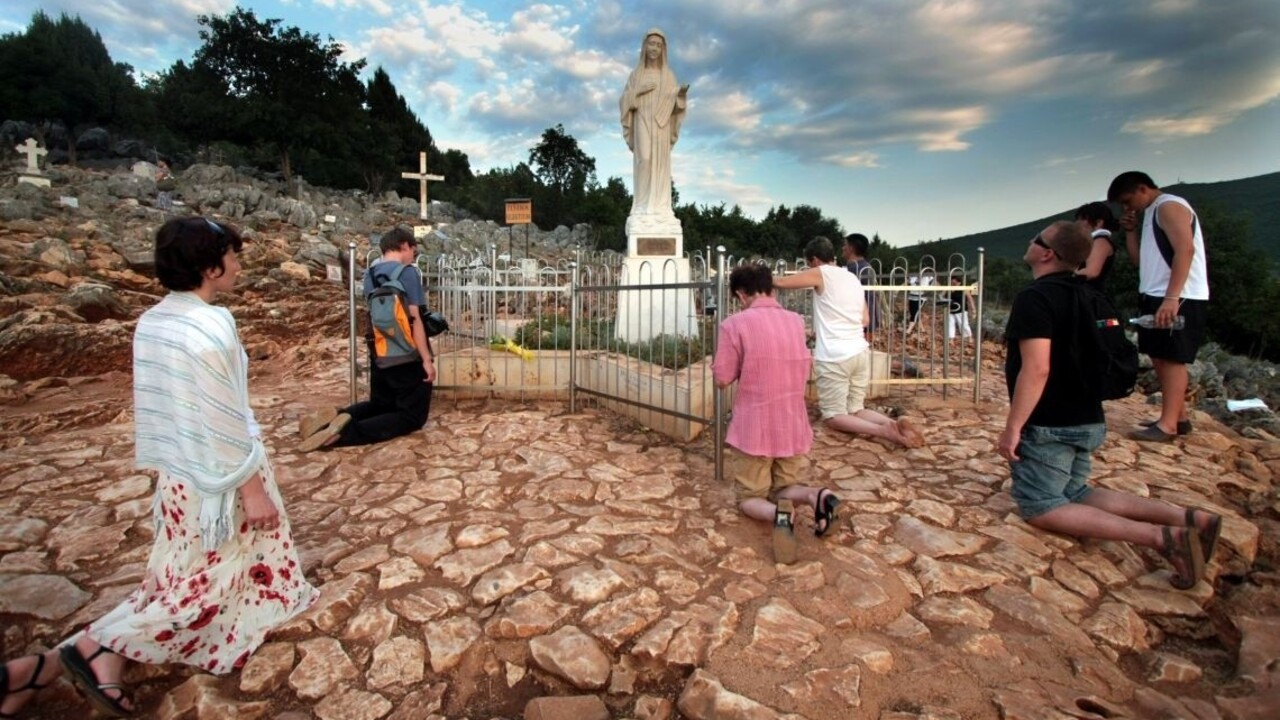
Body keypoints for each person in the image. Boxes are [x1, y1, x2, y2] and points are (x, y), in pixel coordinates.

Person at [0, 216, 320, 718]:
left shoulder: (154, 321)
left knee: (181, 577)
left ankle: (42, 670)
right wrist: (252, 489)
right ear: (211, 268)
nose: (239, 266)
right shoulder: (212, 324)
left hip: (177, 476)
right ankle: (95, 648)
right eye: (233, 257)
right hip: (222, 481)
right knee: (208, 586)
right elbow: (227, 418)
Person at [998, 220, 1220, 591]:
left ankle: (1163, 539)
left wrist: (1014, 427)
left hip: (1051, 420)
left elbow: (1037, 369)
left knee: (1041, 505)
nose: (1030, 241)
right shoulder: (1090, 294)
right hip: (1089, 416)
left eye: (1037, 238)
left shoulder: (1035, 298)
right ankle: (1191, 518)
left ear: (1047, 253)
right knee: (1077, 492)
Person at [713, 264, 841, 564]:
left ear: (741, 294)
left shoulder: (735, 324)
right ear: (771, 288)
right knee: (786, 487)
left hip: (754, 426)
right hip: (792, 422)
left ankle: (777, 515)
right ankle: (815, 496)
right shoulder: (795, 321)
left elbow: (722, 378)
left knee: (749, 497)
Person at [774, 236, 925, 448]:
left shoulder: (821, 272)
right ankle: (895, 423)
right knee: (855, 408)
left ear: (815, 260)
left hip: (836, 356)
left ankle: (884, 431)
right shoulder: (852, 278)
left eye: (809, 263)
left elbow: (781, 283)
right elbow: (865, 319)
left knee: (833, 416)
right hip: (859, 352)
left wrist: (756, 276)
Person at [299, 227, 435, 450]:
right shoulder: (408, 273)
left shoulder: (370, 274)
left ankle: (336, 417)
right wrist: (426, 360)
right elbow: (415, 320)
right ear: (403, 246)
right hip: (406, 352)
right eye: (413, 250)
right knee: (412, 417)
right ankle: (343, 434)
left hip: (379, 348)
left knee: (381, 404)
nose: (414, 256)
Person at [1107, 171, 1209, 441]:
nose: (1127, 208)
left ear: (1142, 188)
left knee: (1172, 357)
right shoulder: (1152, 212)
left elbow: (1185, 250)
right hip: (1155, 293)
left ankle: (1167, 426)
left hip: (1178, 296)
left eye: (1128, 201)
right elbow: (1141, 261)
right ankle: (1178, 416)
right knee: (1159, 355)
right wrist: (1130, 232)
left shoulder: (1169, 206)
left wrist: (1172, 298)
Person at [619, 28, 689, 218]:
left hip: (661, 124)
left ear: (663, 49)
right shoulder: (636, 75)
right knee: (645, 158)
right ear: (645, 46)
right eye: (652, 44)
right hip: (642, 118)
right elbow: (624, 100)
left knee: (660, 164)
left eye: (659, 45)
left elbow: (675, 106)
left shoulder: (668, 76)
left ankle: (659, 207)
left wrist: (680, 95)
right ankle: (642, 205)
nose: (655, 48)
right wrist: (638, 91)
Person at [841, 233, 882, 343]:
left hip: (859, 322)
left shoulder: (859, 269)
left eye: (845, 245)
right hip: (860, 321)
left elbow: (870, 299)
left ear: (851, 248)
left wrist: (869, 325)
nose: (842, 248)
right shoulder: (861, 267)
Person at [1075, 201, 1117, 293]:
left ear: (1098, 222)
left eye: (1083, 219)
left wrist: (1067, 275)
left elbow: (1091, 272)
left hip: (1091, 297)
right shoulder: (1096, 241)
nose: (1078, 223)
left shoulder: (1100, 241)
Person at [945, 274, 976, 346]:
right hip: (951, 310)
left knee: (964, 324)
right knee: (950, 324)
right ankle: (951, 339)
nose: (953, 284)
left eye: (954, 283)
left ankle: (969, 337)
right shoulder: (948, 289)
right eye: (952, 283)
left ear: (959, 282)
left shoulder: (963, 289)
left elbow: (970, 299)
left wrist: (973, 309)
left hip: (961, 310)